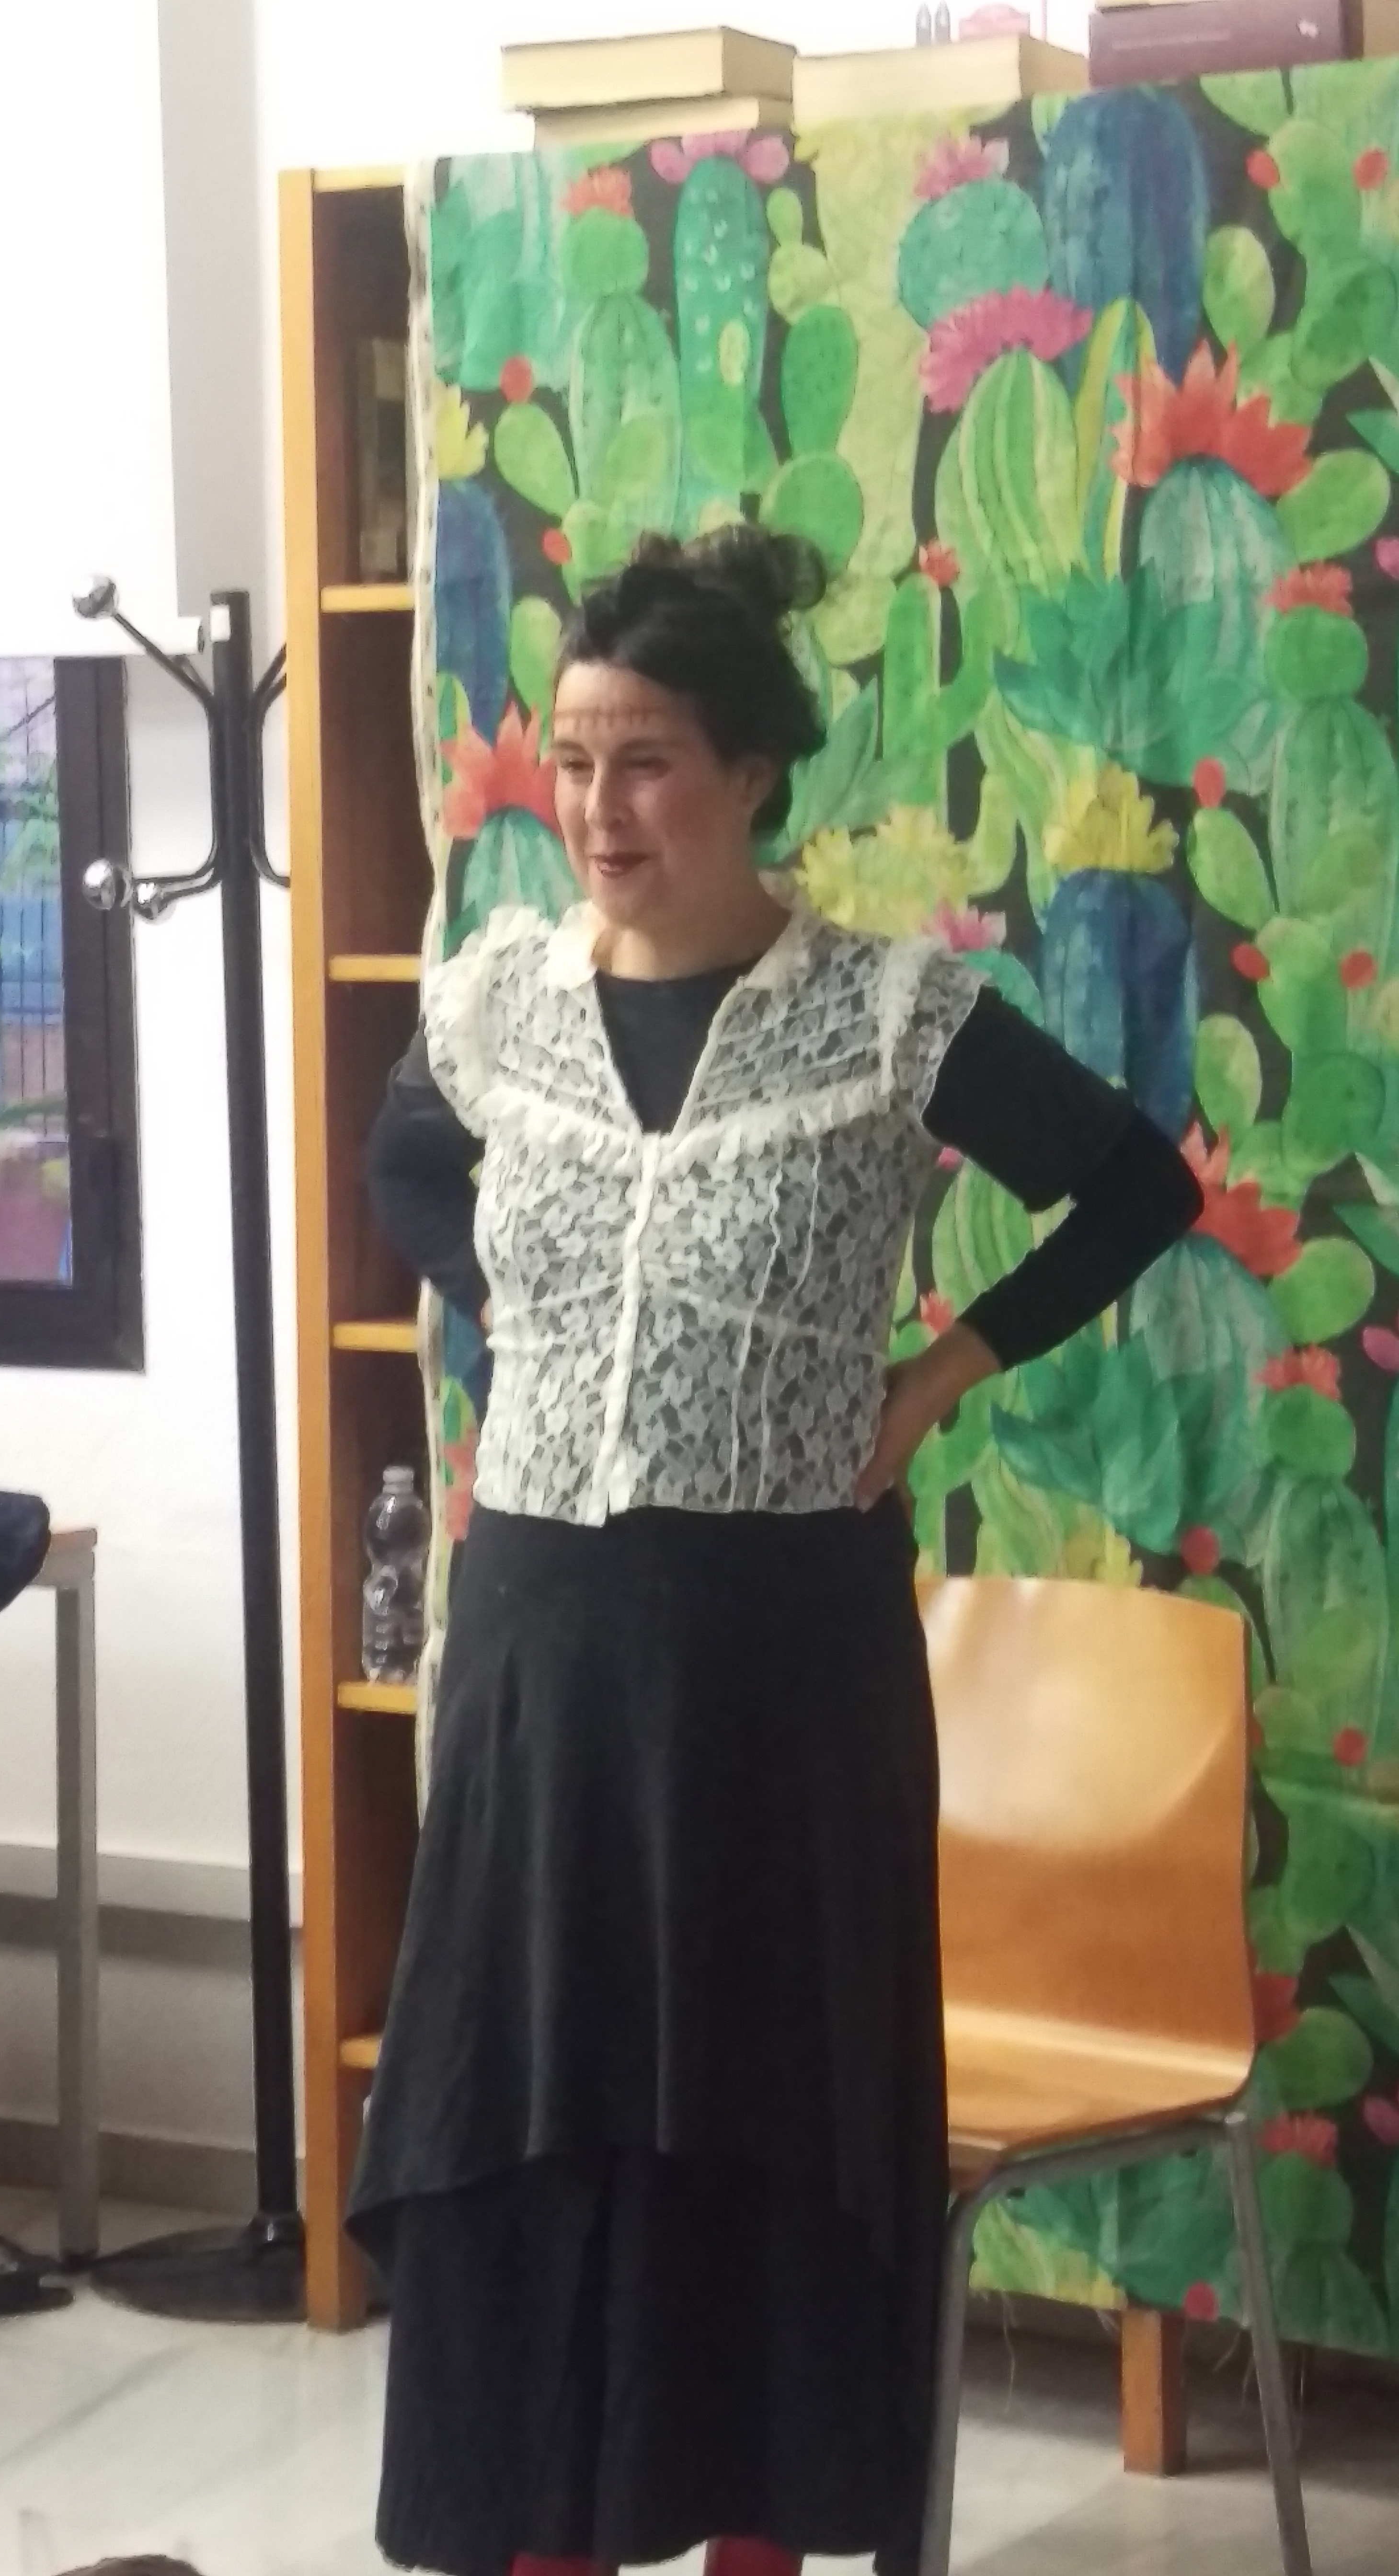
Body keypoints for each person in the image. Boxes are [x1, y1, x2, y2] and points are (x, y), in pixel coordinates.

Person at [350, 525, 1202, 2576]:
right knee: (535, 2101)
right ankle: (541, 2535)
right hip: (545, 1647)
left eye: (646, 762)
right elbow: (404, 1165)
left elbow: (1136, 1188)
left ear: (751, 775)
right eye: (573, 760)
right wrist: (517, 1307)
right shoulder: (498, 1003)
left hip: (781, 1668)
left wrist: (941, 1373)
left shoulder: (892, 1016)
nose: (598, 808)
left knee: (763, 2109)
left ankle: (757, 2541)